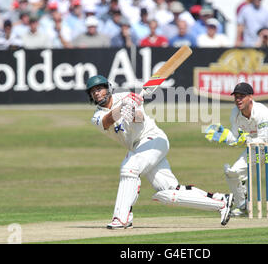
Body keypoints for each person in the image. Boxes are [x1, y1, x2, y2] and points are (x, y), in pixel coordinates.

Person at [86, 75, 234, 229]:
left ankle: (122, 218)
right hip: (139, 148)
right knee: (169, 193)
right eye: (93, 91)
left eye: (99, 88)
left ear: (108, 88)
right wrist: (122, 108)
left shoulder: (126, 96)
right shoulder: (97, 116)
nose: (96, 93)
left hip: (153, 139)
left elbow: (140, 119)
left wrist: (132, 111)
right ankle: (221, 202)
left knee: (129, 169)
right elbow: (107, 121)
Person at [204, 82, 268, 219]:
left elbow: (262, 140)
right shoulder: (235, 113)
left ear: (250, 97)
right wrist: (225, 136)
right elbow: (236, 138)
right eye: (236, 97)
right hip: (255, 146)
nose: (238, 100)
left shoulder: (262, 112)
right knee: (232, 172)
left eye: (242, 96)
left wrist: (244, 139)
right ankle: (243, 206)